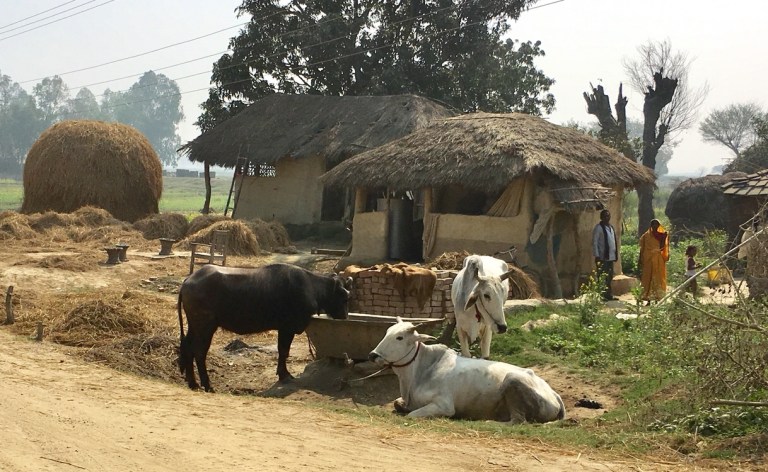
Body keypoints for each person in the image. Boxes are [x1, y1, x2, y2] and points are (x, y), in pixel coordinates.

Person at [638, 219, 670, 304]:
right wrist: (640, 259)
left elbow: (663, 247)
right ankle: (647, 299)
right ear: (651, 226)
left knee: (658, 278)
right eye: (653, 224)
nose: (655, 226)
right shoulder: (646, 236)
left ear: (659, 225)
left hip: (658, 259)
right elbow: (642, 248)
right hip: (648, 260)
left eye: (657, 224)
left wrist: (664, 237)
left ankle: (657, 298)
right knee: (647, 278)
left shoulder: (661, 235)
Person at [591, 209, 619, 301]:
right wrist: (597, 255)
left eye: (608, 216)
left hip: (610, 257)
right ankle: (601, 295)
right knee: (602, 276)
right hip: (602, 257)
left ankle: (608, 295)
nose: (607, 217)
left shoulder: (611, 227)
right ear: (601, 217)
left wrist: (615, 254)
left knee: (609, 276)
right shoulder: (598, 228)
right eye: (605, 216)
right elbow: (595, 242)